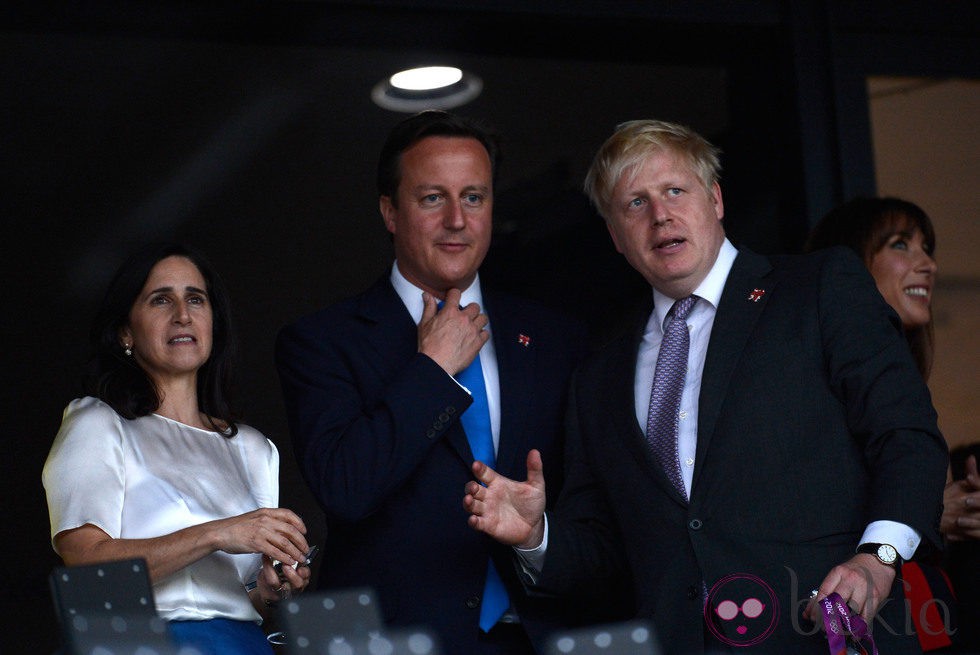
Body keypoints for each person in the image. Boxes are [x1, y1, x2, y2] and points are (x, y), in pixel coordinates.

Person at [463, 120, 948, 653]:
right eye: (634, 204)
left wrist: (877, 559)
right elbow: (607, 551)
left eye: (675, 190)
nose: (661, 214)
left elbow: (908, 437)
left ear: (715, 199)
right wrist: (537, 537)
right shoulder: (598, 377)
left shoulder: (818, 289)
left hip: (826, 635)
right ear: (615, 238)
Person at [275, 110, 590, 654]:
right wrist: (432, 370)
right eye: (431, 199)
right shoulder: (322, 341)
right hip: (393, 642)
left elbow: (589, 506)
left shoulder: (556, 339)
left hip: (537, 638)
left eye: (474, 197)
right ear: (389, 211)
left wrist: (538, 541)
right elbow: (347, 489)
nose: (457, 220)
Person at [43, 243, 311, 655]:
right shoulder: (98, 422)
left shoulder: (253, 448)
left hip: (241, 646)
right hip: (142, 643)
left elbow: (237, 599)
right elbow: (86, 566)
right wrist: (218, 533)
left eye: (196, 299)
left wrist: (271, 590)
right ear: (125, 332)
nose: (182, 314)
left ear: (213, 325)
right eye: (161, 299)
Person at [807, 197, 980, 651]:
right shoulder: (811, 379)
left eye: (928, 248)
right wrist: (932, 516)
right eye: (901, 245)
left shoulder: (904, 371)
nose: (928, 265)